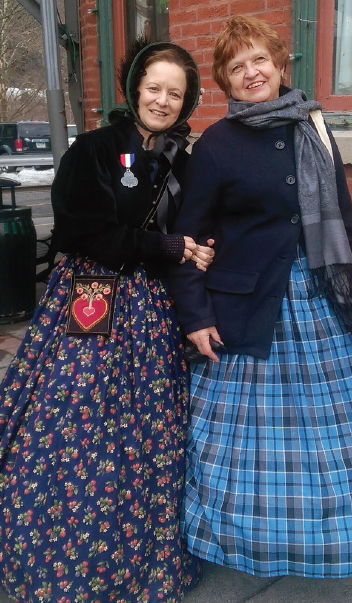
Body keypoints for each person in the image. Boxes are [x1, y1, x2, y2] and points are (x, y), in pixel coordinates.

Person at [168, 15, 352, 580]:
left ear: (280, 63)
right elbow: (190, 242)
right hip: (247, 308)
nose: (251, 72)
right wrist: (194, 314)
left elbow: (339, 213)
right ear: (225, 81)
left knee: (334, 439)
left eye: (258, 59)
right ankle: (250, 546)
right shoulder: (215, 145)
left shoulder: (315, 127)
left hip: (317, 297)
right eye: (236, 67)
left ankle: (332, 540)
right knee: (252, 446)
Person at [0, 39, 213, 602]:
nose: (163, 101)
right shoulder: (93, 149)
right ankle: (59, 557)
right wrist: (170, 246)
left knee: (147, 429)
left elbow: (197, 228)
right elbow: (82, 231)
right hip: (92, 298)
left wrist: (198, 251)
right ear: (134, 89)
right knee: (76, 419)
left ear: (186, 101)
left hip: (152, 314)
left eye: (175, 93)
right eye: (154, 88)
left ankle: (137, 556)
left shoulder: (183, 163)